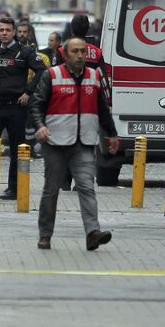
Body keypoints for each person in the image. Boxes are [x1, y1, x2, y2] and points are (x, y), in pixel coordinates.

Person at [30, 37, 120, 251]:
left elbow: (102, 109)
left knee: (87, 187)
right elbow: (36, 105)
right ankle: (45, 235)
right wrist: (40, 126)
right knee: (51, 190)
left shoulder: (94, 76)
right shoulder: (51, 75)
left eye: (83, 51)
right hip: (56, 142)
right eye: (75, 52)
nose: (80, 56)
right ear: (65, 54)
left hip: (84, 142)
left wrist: (112, 134)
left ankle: (92, 233)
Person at [0, 18, 46, 199]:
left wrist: (28, 92)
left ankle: (13, 188)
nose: (4, 33)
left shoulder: (25, 52)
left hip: (16, 107)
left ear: (14, 32)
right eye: (1, 30)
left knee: (18, 148)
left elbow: (42, 70)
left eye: (8, 30)